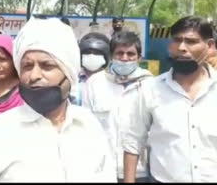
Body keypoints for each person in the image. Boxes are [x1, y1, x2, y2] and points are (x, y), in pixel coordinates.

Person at [0, 17, 117, 182]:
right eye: (27, 66)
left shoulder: (89, 126)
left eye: (47, 66)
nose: (34, 76)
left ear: (68, 73)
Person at [123, 16, 217, 182]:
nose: (182, 47)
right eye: (176, 40)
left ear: (209, 46)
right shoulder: (150, 89)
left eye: (191, 41)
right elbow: (133, 143)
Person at [83, 31, 153, 182]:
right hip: (104, 169)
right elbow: (86, 125)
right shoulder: (95, 83)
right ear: (111, 56)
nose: (125, 58)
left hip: (141, 171)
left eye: (130, 54)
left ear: (139, 58)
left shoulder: (150, 84)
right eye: (119, 53)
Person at [69, 32, 110, 106]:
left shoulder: (112, 82)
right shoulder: (71, 79)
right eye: (87, 52)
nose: (92, 56)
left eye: (97, 53)